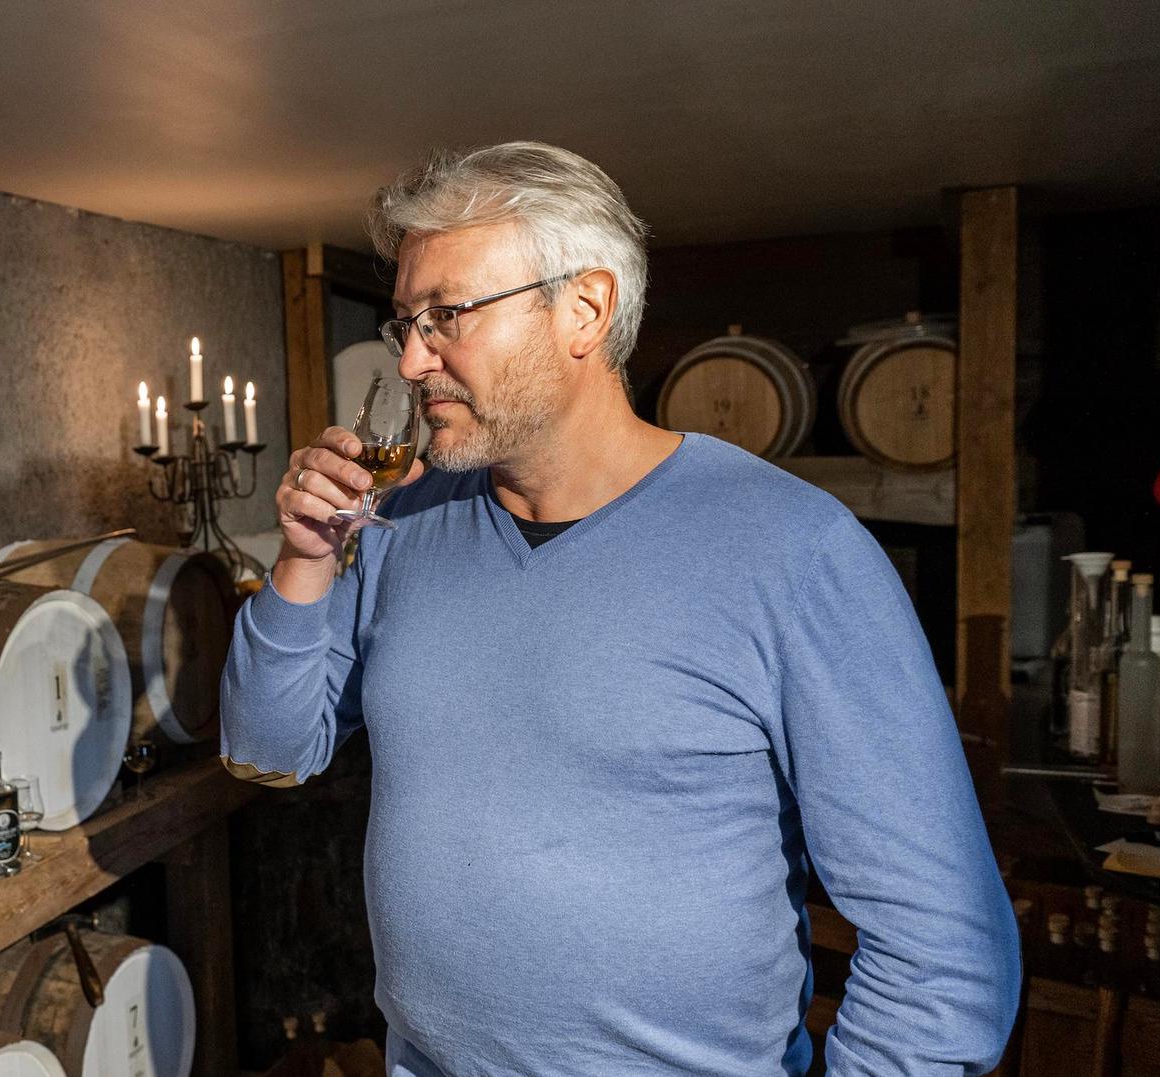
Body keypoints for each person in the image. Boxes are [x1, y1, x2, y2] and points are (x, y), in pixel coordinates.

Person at [219, 142, 1020, 1076]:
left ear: (585, 309)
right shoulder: (399, 524)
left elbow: (943, 950)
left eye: (447, 316)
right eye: (406, 321)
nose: (410, 358)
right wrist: (305, 561)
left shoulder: (792, 550)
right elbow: (265, 752)